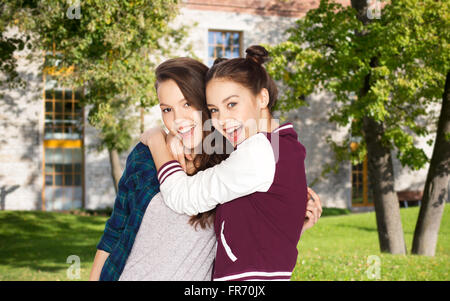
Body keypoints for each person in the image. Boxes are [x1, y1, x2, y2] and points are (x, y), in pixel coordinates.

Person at [90, 56, 322, 281]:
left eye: (187, 104)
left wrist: (293, 224)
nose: (178, 119)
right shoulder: (144, 157)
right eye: (167, 109)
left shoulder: (232, 160)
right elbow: (114, 232)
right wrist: (156, 139)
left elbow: (250, 234)